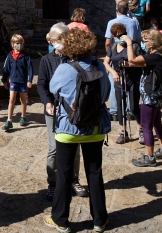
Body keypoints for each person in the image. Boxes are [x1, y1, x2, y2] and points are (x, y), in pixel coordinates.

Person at [45, 28, 110, 233]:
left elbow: (54, 89)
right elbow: (106, 94)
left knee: (64, 174)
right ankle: (99, 220)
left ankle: (61, 220)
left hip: (68, 128)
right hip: (95, 127)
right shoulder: (99, 67)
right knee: (94, 172)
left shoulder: (65, 69)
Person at [38, 23, 88, 201]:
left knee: (74, 146)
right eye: (59, 39)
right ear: (51, 41)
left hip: (71, 109)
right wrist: (47, 103)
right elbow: (42, 85)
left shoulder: (73, 59)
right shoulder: (46, 60)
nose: (63, 42)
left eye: (65, 38)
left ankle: (73, 179)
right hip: (53, 109)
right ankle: (53, 182)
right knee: (54, 148)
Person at [122, 29, 162, 167]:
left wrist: (129, 43)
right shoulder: (160, 55)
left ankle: (149, 157)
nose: (143, 44)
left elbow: (132, 59)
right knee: (157, 124)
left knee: (146, 127)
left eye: (144, 41)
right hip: (156, 95)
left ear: (151, 44)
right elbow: (137, 63)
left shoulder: (155, 57)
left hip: (150, 96)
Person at [103, 23, 143, 145]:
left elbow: (142, 62)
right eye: (117, 36)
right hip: (119, 81)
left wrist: (130, 65)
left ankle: (142, 129)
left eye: (122, 35)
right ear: (114, 36)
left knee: (134, 107)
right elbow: (106, 62)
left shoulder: (134, 46)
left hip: (132, 80)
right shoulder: (114, 47)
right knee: (120, 107)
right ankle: (123, 131)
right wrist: (113, 72)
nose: (119, 38)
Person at [104, 1, 141, 121]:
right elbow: (138, 39)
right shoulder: (134, 22)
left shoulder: (111, 22)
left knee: (116, 85)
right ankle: (130, 111)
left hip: (117, 54)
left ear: (117, 10)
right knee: (130, 87)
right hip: (131, 51)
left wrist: (110, 53)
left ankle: (115, 111)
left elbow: (108, 42)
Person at [2, 34, 33, 131]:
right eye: (17, 43)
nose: (19, 45)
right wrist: (4, 80)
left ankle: (23, 117)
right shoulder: (10, 56)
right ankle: (9, 120)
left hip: (22, 81)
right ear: (12, 44)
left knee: (23, 100)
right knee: (11, 100)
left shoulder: (25, 55)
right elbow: (6, 69)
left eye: (21, 43)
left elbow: (30, 68)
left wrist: (30, 80)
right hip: (13, 81)